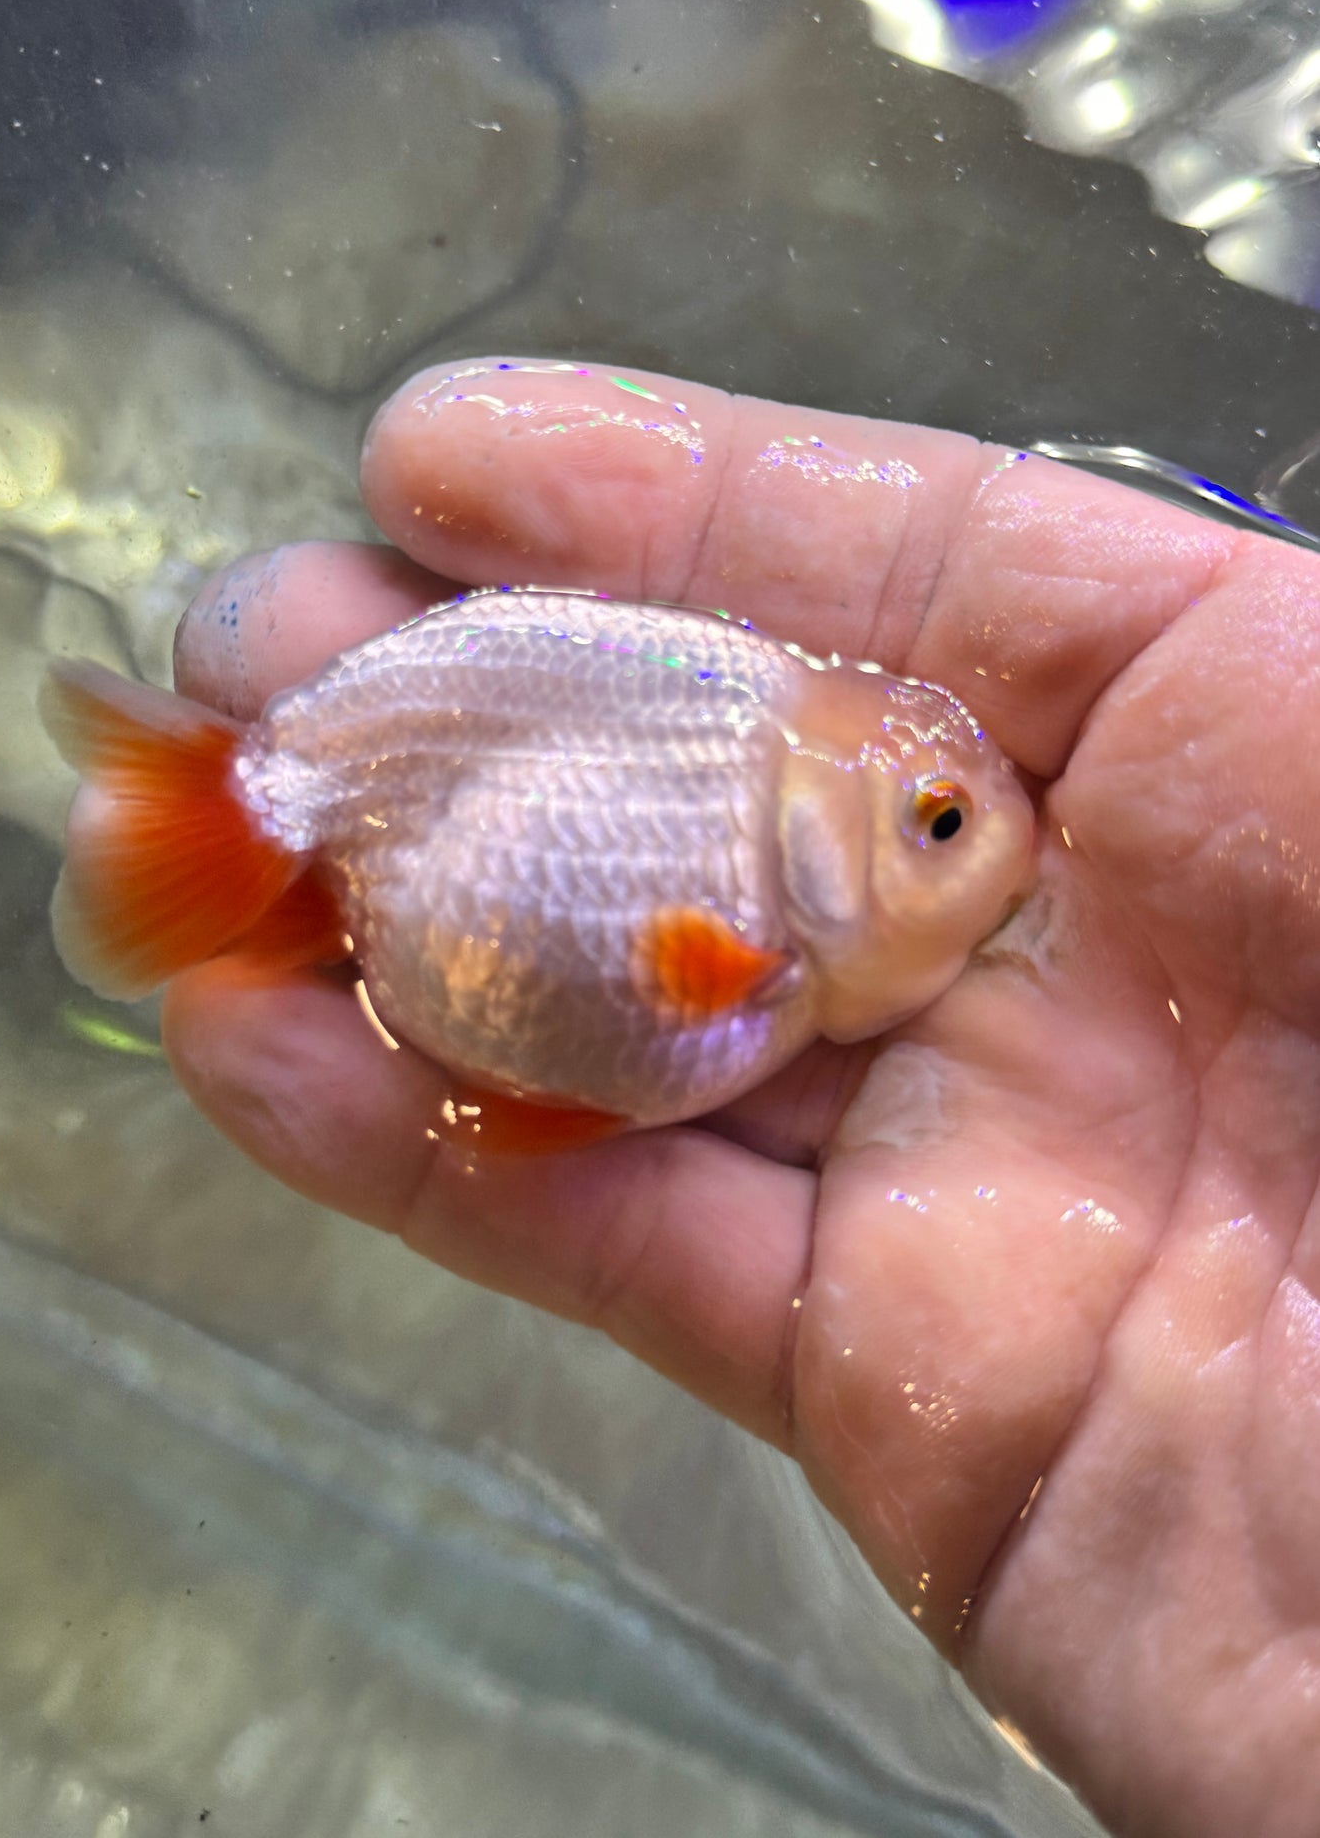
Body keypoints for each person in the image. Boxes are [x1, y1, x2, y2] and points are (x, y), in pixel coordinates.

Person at [163, 358, 1320, 1838]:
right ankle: (236, 838)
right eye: (940, 826)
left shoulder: (768, 940)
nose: (985, 853)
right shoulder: (744, 936)